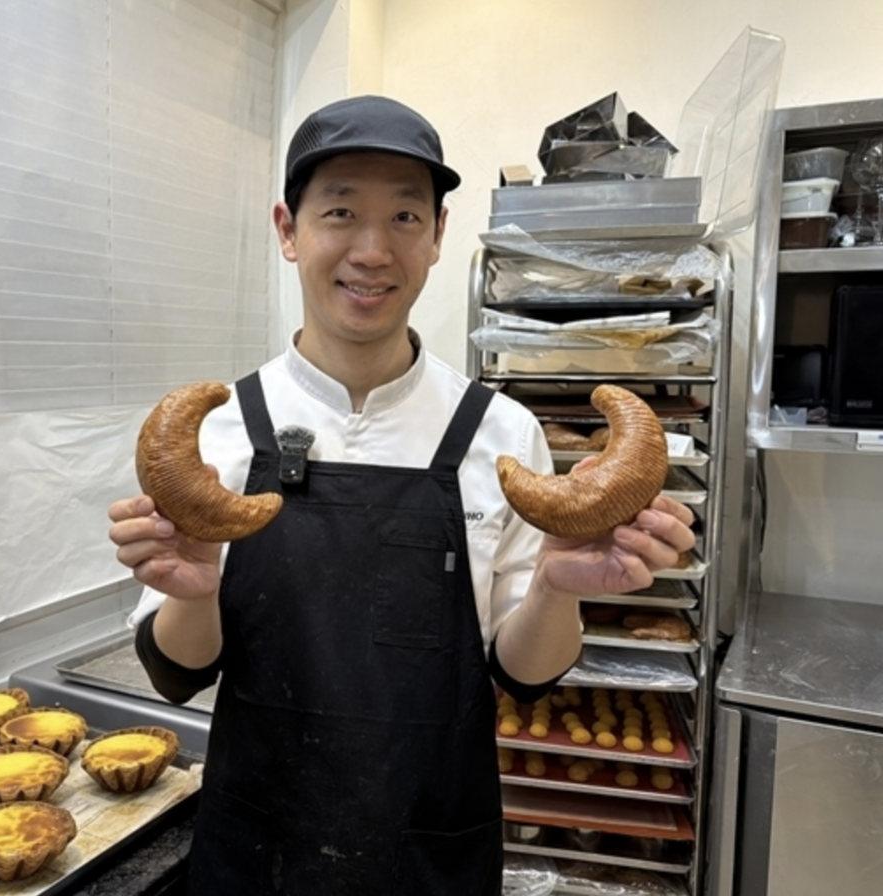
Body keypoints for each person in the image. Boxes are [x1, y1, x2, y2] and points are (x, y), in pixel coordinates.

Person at [108, 95, 696, 895]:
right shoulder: (217, 434)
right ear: (289, 230)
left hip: (432, 851)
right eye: (341, 212)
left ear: (439, 236)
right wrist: (196, 590)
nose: (373, 250)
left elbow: (524, 675)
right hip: (255, 853)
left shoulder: (501, 433)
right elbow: (178, 673)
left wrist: (559, 587)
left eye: (406, 218)